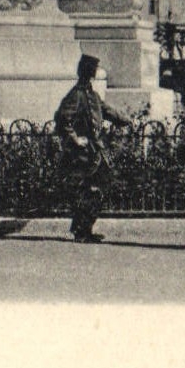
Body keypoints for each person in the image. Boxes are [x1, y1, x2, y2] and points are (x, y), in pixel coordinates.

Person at [53, 54, 131, 243]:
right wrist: (75, 139)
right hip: (83, 153)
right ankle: (82, 231)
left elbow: (107, 111)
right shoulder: (76, 95)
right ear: (87, 72)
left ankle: (84, 228)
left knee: (96, 189)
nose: (92, 74)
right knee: (90, 190)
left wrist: (126, 120)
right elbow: (62, 118)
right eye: (91, 70)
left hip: (95, 151)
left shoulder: (91, 94)